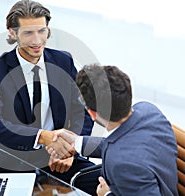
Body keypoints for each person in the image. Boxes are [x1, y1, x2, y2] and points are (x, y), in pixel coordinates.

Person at [0, 0, 99, 194]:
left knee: (108, 183)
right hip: (14, 158)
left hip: (61, 155)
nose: (37, 41)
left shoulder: (63, 61)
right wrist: (44, 137)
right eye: (28, 33)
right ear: (12, 32)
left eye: (42, 31)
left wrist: (71, 148)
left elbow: (82, 109)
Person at [46, 64, 179, 195]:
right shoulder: (148, 110)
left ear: (92, 114)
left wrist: (106, 194)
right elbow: (124, 143)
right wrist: (77, 142)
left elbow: (125, 154)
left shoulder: (122, 165)